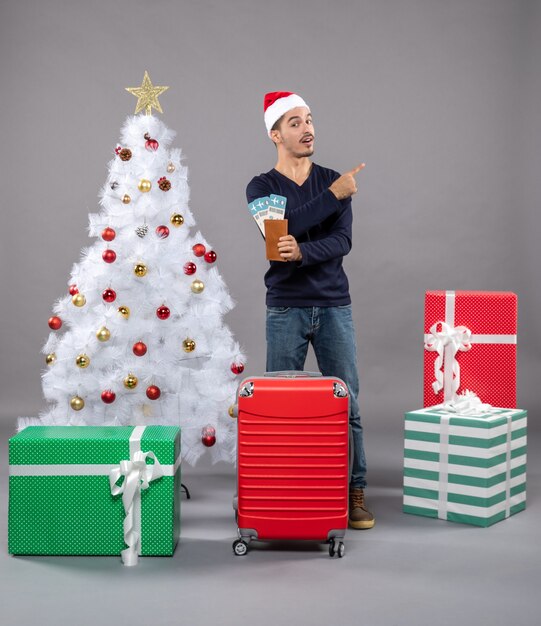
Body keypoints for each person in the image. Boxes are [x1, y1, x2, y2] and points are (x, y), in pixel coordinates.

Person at [245, 91, 374, 529]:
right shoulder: (261, 187)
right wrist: (332, 197)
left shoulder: (334, 177)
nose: (308, 128)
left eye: (310, 119)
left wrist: (300, 250)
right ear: (275, 134)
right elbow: (274, 241)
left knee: (348, 403)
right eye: (295, 122)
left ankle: (354, 491)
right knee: (279, 406)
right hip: (285, 309)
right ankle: (280, 490)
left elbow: (342, 243)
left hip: (335, 305)